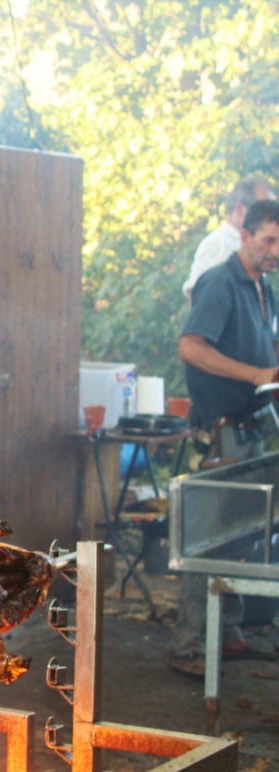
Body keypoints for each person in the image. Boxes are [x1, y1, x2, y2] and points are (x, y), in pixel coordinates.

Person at [170, 199, 279, 676]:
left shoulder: (264, 287)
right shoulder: (220, 281)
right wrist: (256, 373)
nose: (275, 250)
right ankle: (190, 645)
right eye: (269, 240)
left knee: (241, 533)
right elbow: (190, 347)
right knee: (205, 538)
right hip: (217, 433)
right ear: (245, 235)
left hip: (250, 427)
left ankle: (228, 632)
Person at [182, 179, 275, 303]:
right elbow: (200, 298)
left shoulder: (258, 247)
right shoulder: (217, 243)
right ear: (241, 210)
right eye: (264, 210)